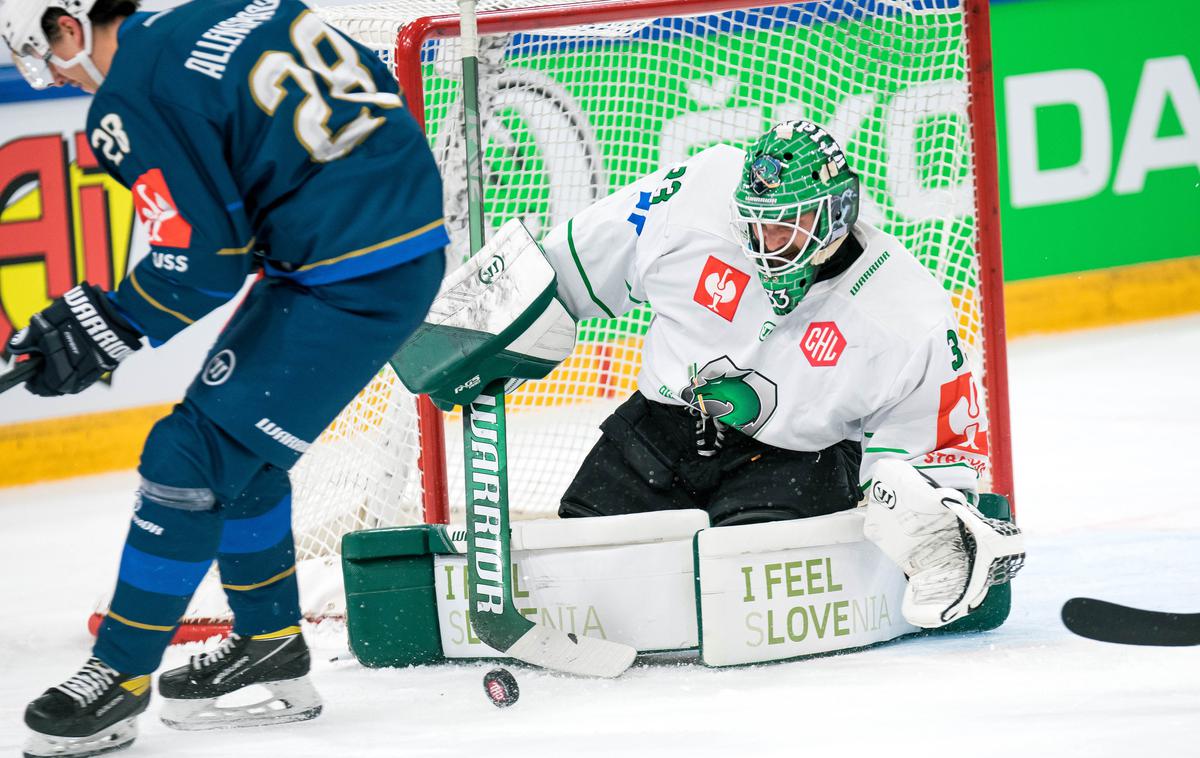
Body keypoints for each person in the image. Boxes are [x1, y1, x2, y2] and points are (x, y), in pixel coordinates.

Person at [1, 0, 447, 755]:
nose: (59, 79)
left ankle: (118, 678)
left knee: (188, 454)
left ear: (68, 26)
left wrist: (98, 326)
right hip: (374, 251)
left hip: (351, 278)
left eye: (43, 58)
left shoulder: (132, 93)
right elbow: (375, 81)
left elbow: (203, 262)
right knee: (239, 455)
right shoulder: (232, 8)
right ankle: (269, 646)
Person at [538, 120, 1024, 629]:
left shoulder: (907, 315)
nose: (767, 241)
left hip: (794, 462)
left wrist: (938, 524)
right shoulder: (695, 196)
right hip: (662, 433)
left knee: (751, 596)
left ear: (836, 214)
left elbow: (935, 458)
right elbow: (573, 264)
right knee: (578, 573)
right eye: (756, 222)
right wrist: (500, 317)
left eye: (788, 223)